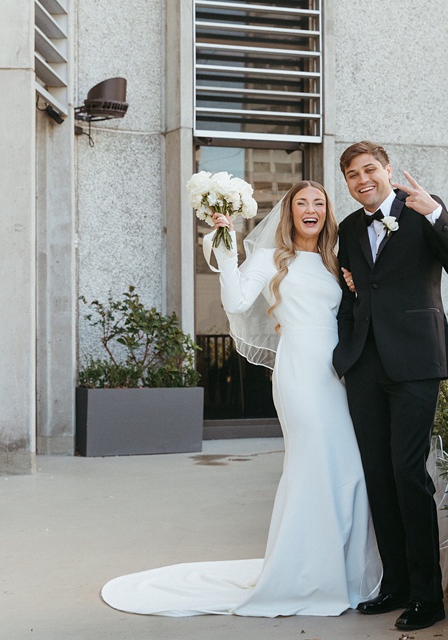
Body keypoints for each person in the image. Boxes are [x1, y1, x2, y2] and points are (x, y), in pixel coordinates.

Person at [101, 181, 381, 617]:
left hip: (337, 372)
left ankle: (345, 574)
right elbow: (235, 299)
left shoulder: (334, 260)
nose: (311, 210)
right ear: (288, 213)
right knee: (312, 465)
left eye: (319, 203)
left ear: (327, 212)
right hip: (300, 372)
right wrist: (227, 247)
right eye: (301, 203)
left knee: (347, 468)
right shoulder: (270, 258)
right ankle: (303, 576)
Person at [333, 141, 448, 631]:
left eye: (369, 169)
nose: (362, 179)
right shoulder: (348, 229)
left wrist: (435, 211)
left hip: (415, 361)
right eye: (352, 174)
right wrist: (345, 351)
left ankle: (426, 596)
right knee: (377, 474)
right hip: (365, 366)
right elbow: (352, 292)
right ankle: (393, 584)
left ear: (388, 170)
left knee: (407, 472)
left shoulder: (421, 210)